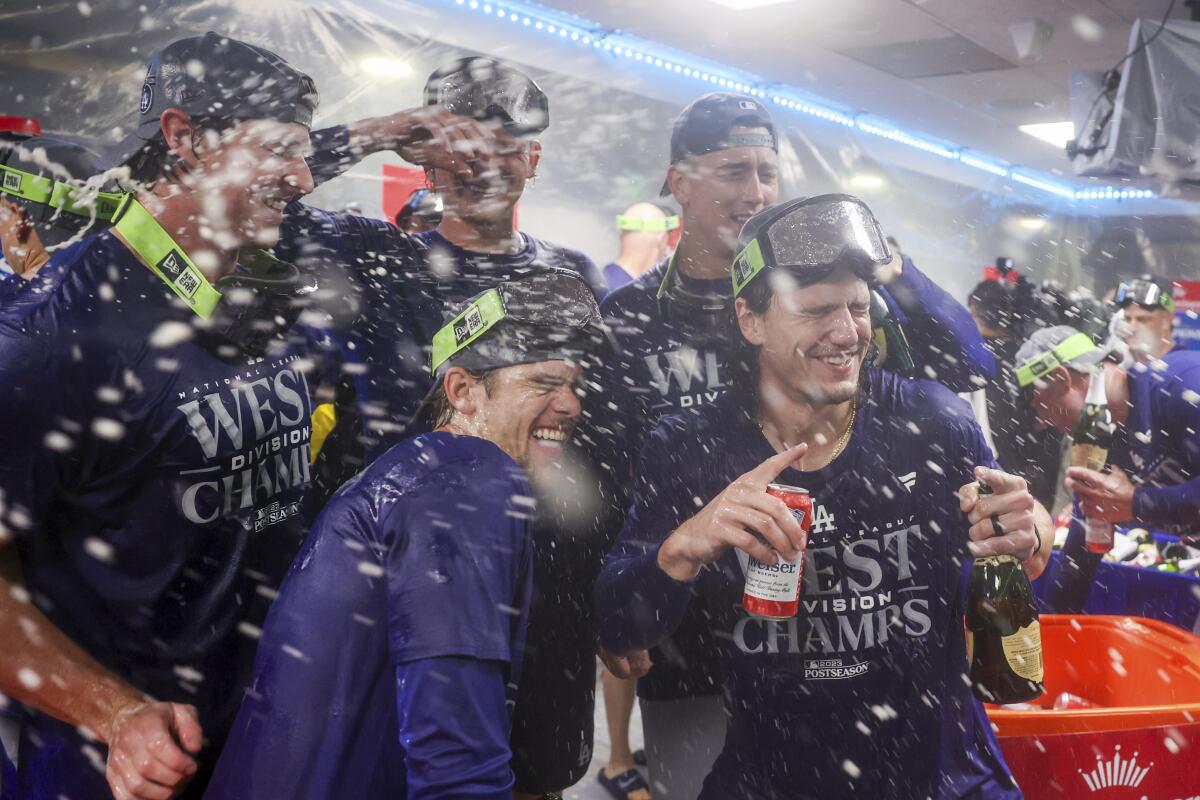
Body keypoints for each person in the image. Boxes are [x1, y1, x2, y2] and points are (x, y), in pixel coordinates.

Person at [586, 92, 997, 800]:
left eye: (768, 173)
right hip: (698, 635)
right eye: (733, 170)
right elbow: (601, 481)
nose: (755, 191)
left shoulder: (833, 285)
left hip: (879, 703)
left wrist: (886, 263)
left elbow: (969, 370)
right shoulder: (638, 336)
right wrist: (661, 564)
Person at [0, 32, 320, 800]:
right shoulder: (52, 339)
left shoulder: (259, 296)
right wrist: (116, 715)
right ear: (184, 138)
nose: (305, 178)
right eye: (281, 149)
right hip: (114, 766)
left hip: (257, 736)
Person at [277, 57, 607, 795]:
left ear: (534, 157)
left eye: (502, 145)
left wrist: (607, 588)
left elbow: (600, 440)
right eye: (459, 144)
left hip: (539, 586)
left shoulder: (571, 277)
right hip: (395, 593)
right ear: (424, 153)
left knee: (530, 776)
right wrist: (373, 132)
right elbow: (269, 196)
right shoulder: (377, 257)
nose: (481, 164)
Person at [205, 270, 601, 798]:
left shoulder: (418, 472)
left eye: (574, 385)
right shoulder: (465, 482)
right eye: (544, 383)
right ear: (461, 391)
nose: (571, 404)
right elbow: (455, 760)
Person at [1013, 325, 1200, 611]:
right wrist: (1053, 631)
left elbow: (1137, 504)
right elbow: (1078, 557)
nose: (1045, 422)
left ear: (1061, 378)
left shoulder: (1180, 383)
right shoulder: (1095, 444)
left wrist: (1137, 503)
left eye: (1041, 405)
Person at [967, 278, 1064, 509]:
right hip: (1043, 475)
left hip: (996, 482)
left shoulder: (970, 361)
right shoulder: (1032, 356)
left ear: (972, 311)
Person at [602, 202, 675, 296]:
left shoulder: (601, 283)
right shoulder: (633, 297)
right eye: (667, 241)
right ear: (660, 241)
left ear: (621, 237)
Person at [1113, 274, 1178, 362]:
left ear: (1166, 320)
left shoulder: (1188, 368)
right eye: (1127, 319)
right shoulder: (1120, 366)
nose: (1131, 328)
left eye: (1142, 319)